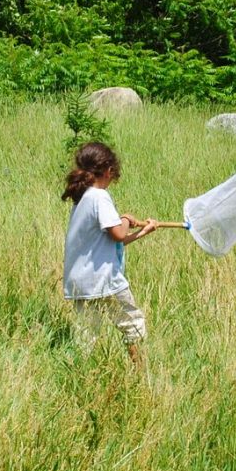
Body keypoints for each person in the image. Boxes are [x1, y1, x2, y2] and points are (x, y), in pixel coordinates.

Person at [61, 142, 158, 364]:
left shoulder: (82, 199)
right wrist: (125, 219)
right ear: (108, 171)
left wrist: (144, 230)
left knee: (85, 337)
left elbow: (115, 242)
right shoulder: (99, 196)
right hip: (103, 281)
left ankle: (81, 376)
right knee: (133, 325)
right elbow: (117, 233)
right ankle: (140, 373)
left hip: (81, 283)